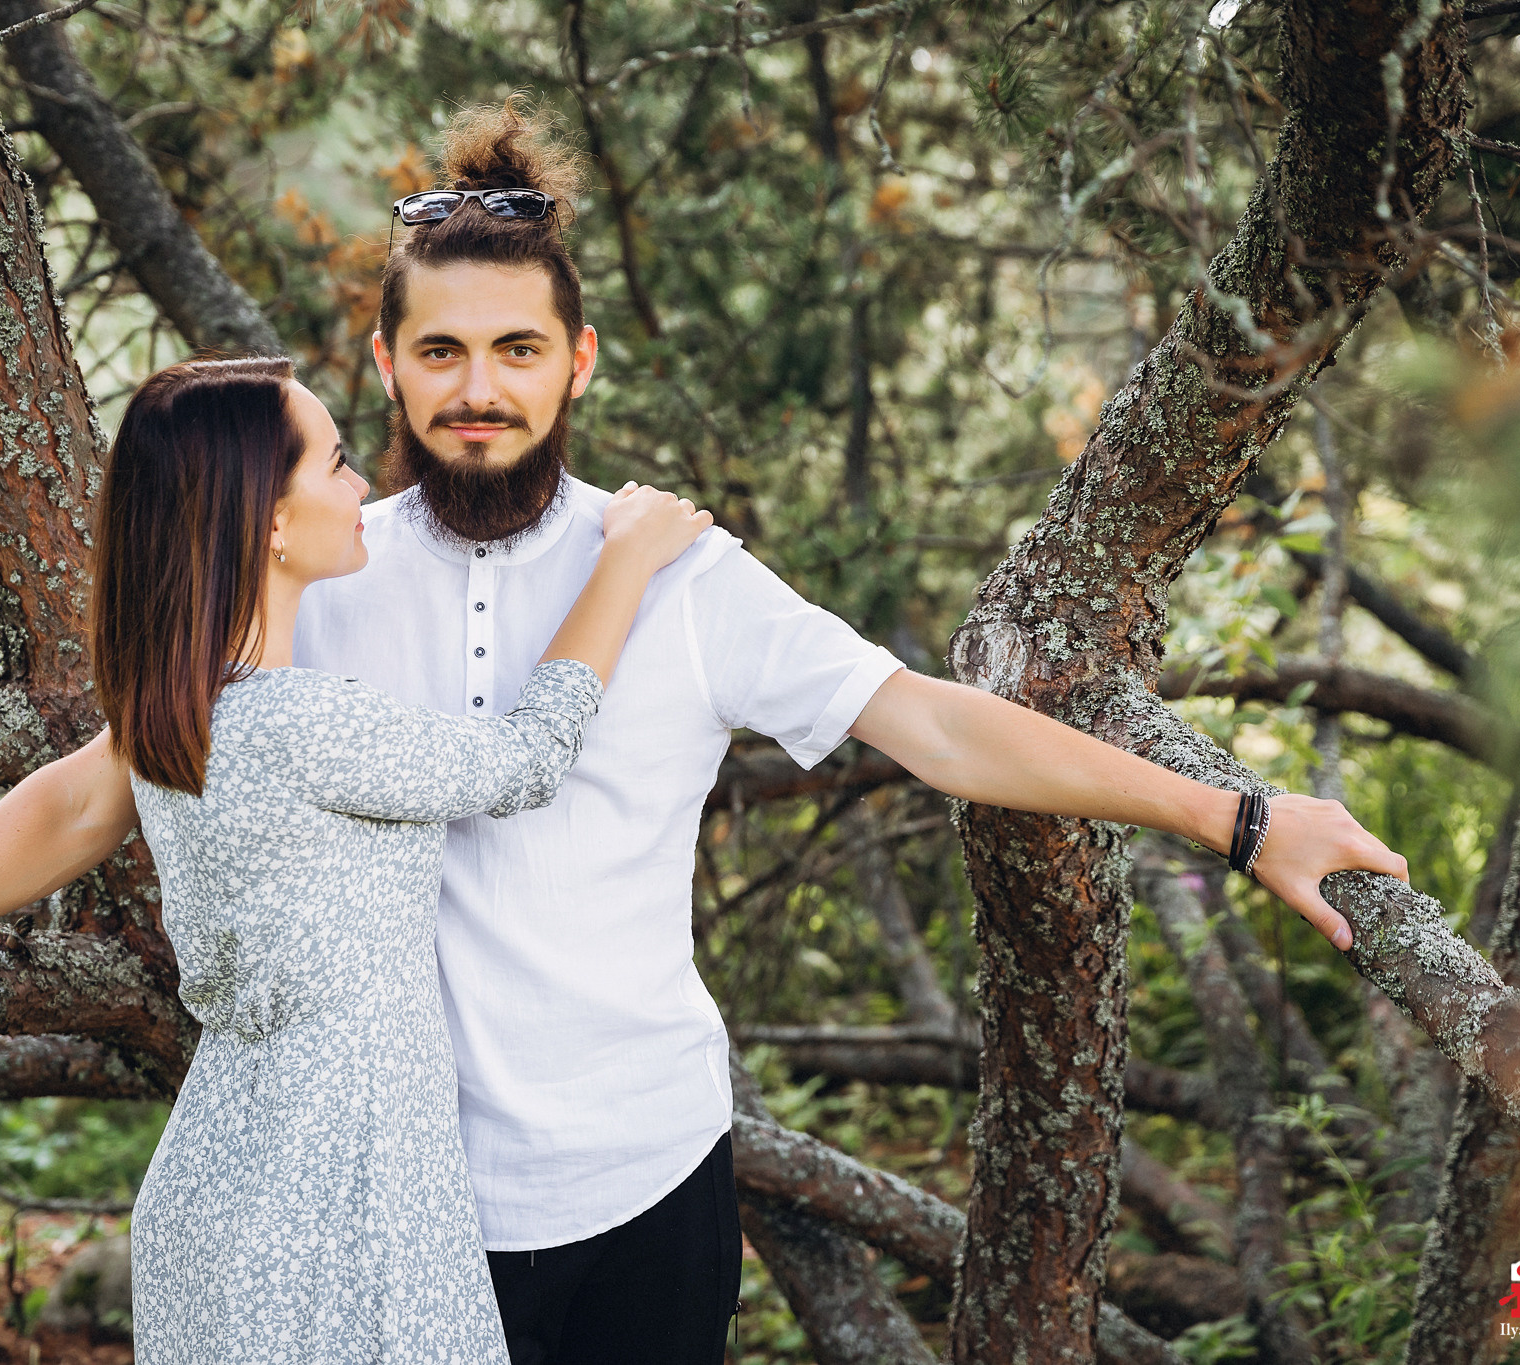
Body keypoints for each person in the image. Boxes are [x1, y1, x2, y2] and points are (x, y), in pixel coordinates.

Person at [283, 99, 1411, 1364]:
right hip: (395, 1193)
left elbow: (933, 727)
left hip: (642, 1181)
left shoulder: (678, 575)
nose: (477, 390)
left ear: (578, 359)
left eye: (515, 350)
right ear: (384, 364)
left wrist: (1240, 818)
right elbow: (145, 760)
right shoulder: (316, 576)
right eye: (439, 353)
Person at [0, 355, 717, 1364]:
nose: (364, 481)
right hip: (335, 1199)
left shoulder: (190, 709)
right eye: (337, 461)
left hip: (235, 1189)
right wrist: (625, 554)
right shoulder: (303, 721)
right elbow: (524, 761)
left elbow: (68, 804)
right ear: (266, 519)